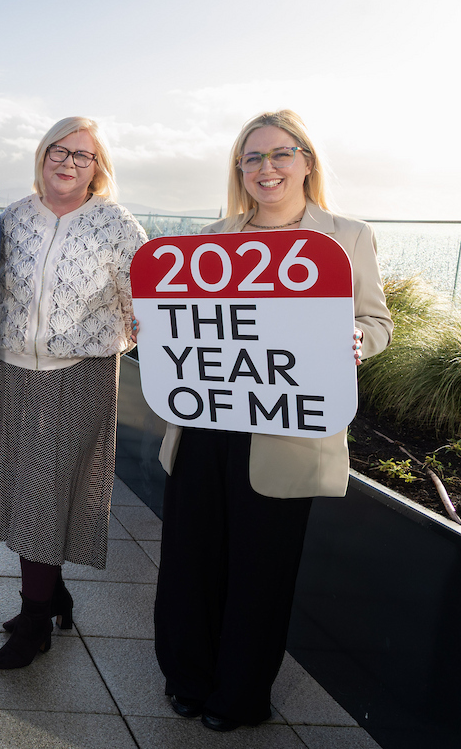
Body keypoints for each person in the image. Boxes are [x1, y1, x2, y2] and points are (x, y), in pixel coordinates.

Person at [152, 110, 393, 731]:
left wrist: (357, 341)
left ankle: (239, 696)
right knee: (191, 559)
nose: (266, 168)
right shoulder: (213, 237)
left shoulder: (347, 238)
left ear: (307, 161)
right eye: (252, 158)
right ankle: (187, 677)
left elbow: (377, 323)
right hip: (205, 426)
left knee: (262, 569)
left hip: (287, 428)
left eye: (280, 154)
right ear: (240, 170)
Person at [0, 117, 146, 669]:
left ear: (99, 169)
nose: (68, 162)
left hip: (80, 376)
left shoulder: (116, 225)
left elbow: (141, 301)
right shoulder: (12, 218)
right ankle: (53, 595)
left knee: (45, 492)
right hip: (15, 371)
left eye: (83, 156)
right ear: (42, 154)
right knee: (29, 490)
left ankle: (33, 623)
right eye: (59, 150)